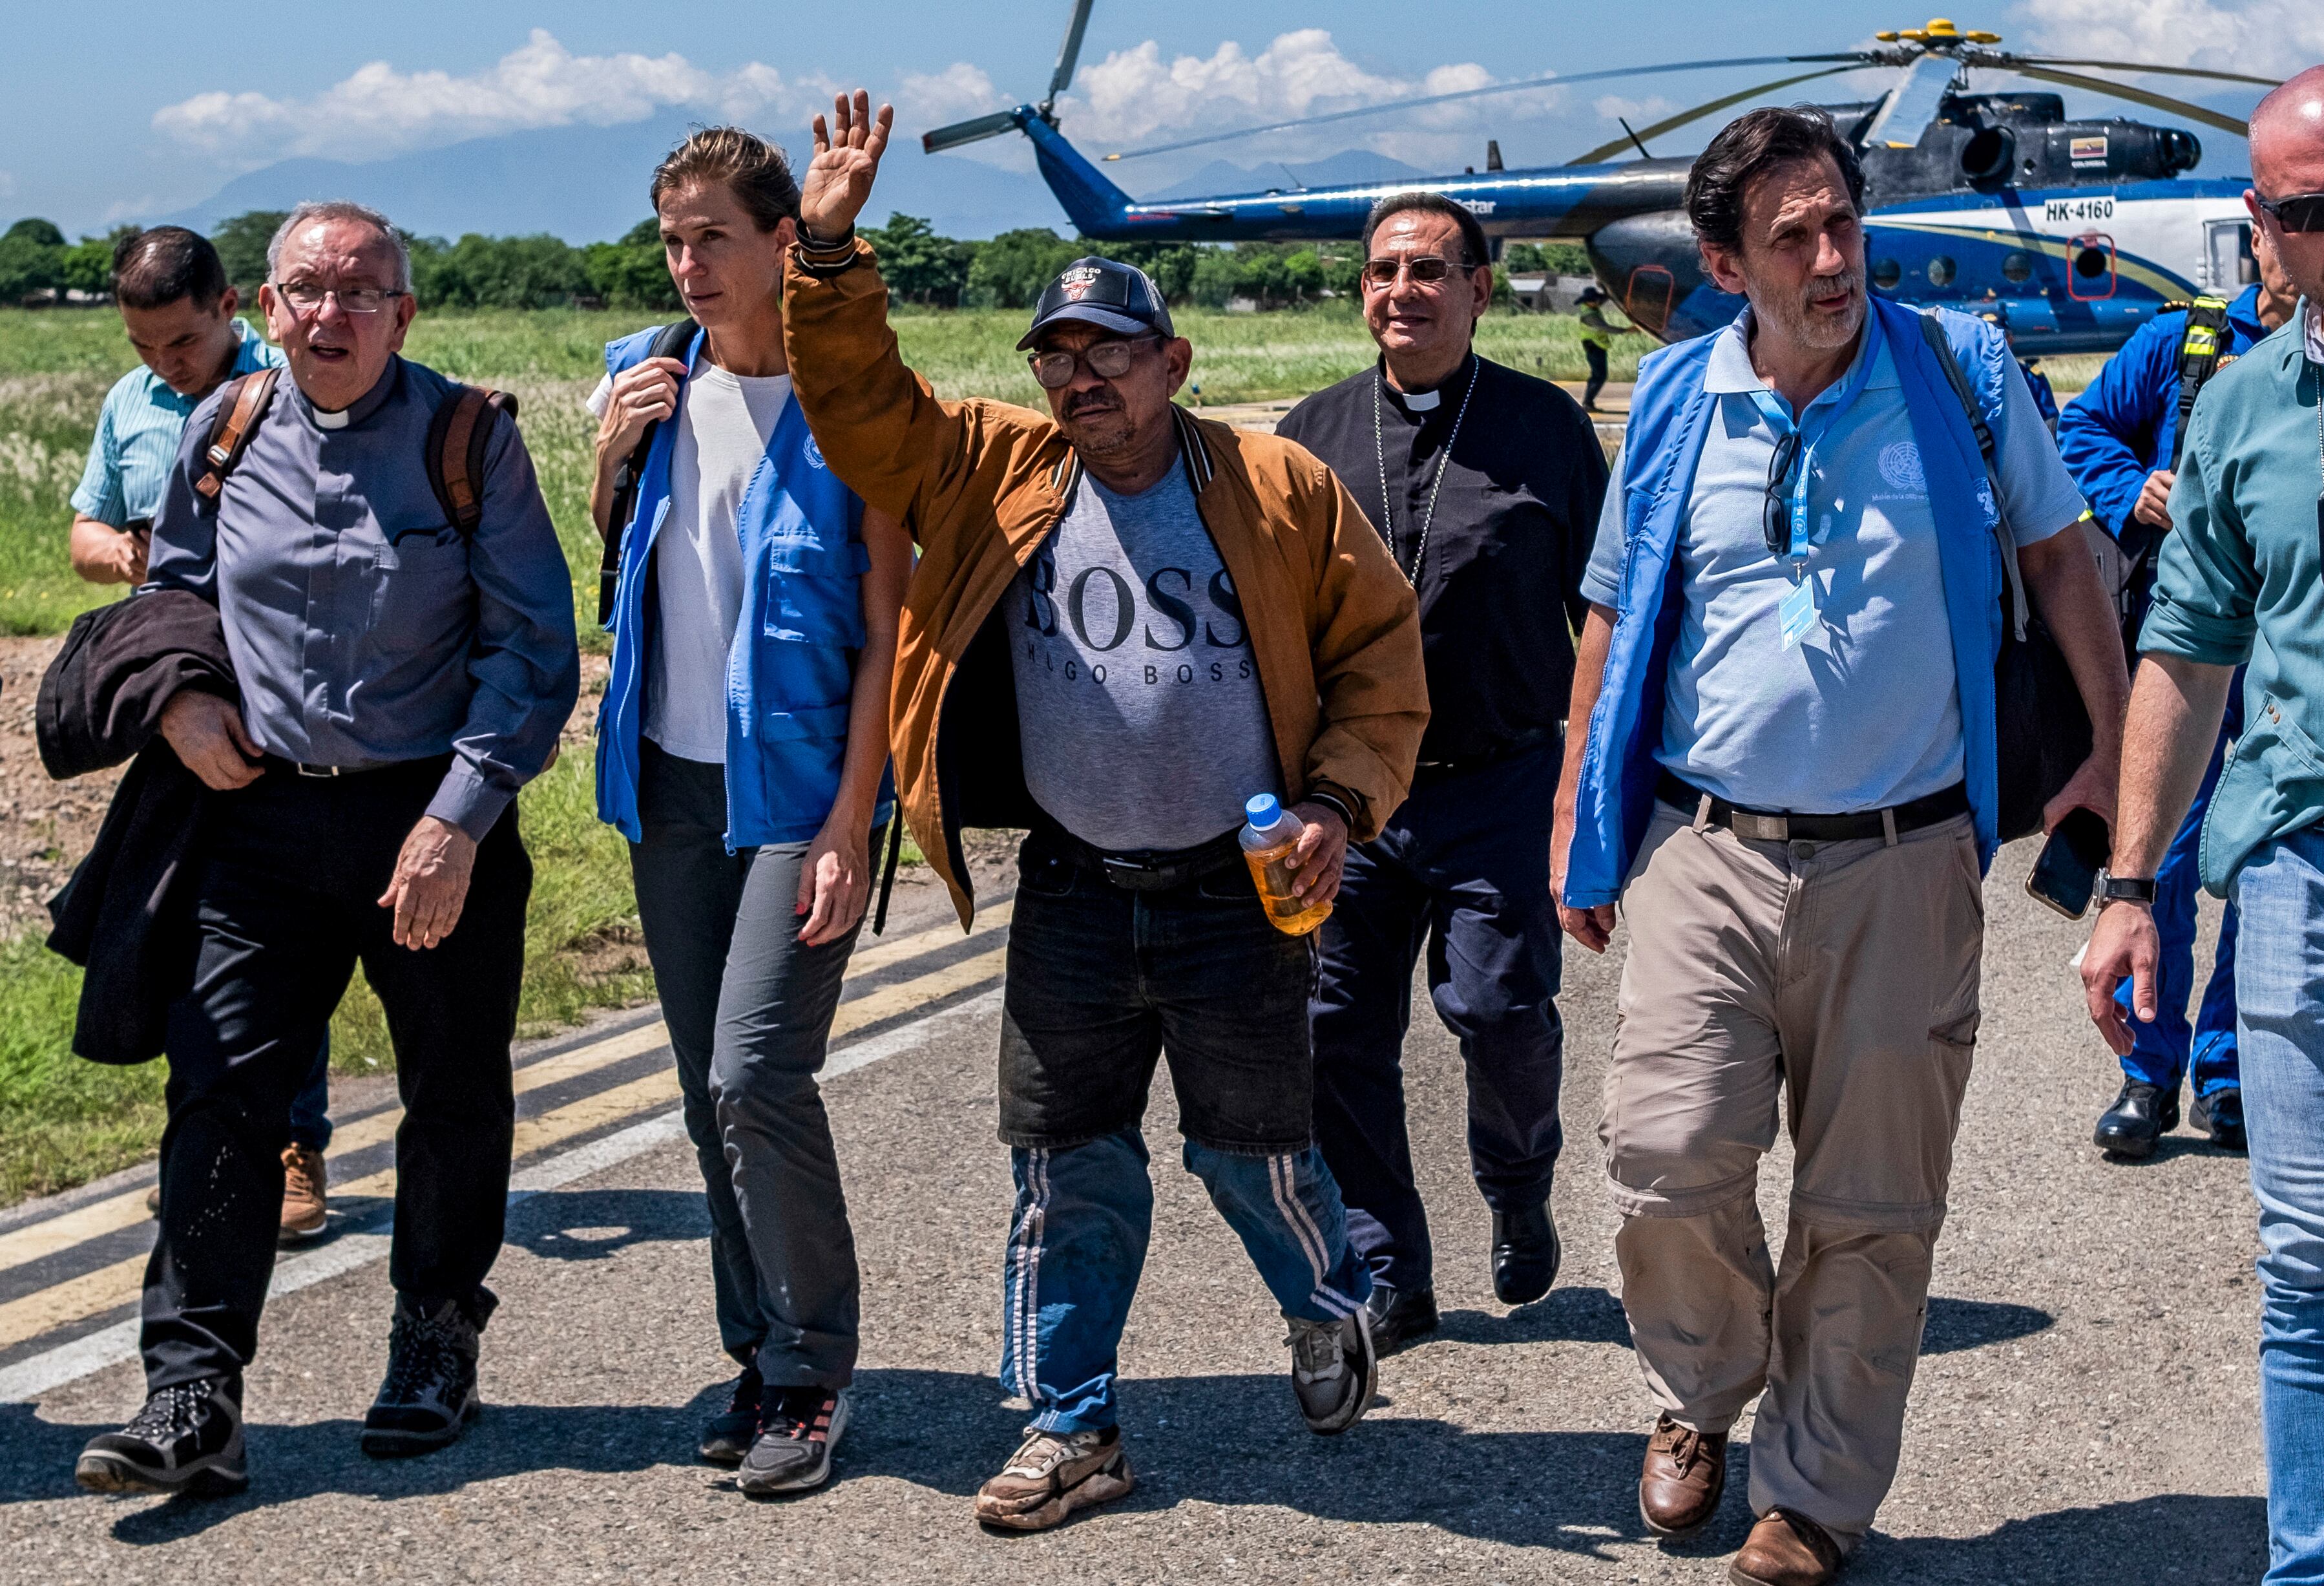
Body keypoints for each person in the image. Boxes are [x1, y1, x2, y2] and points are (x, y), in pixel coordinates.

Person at [782, 92, 1428, 1532]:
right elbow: (862, 406)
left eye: (1108, 353)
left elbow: (1381, 663)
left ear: (1171, 363)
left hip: (1233, 890)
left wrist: (1336, 803)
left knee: (1249, 1156)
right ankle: (1070, 1423)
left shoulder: (1275, 485)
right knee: (1065, 1167)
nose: (1079, 379)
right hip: (1073, 887)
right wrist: (825, 257)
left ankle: (1326, 1302)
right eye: (1055, 357)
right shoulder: (993, 469)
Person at [1555, 108, 2127, 1583]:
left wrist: (2117, 751)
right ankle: (1701, 1386)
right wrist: (1575, 819)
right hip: (1705, 844)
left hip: (1904, 851)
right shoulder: (1676, 396)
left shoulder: (1957, 366)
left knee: (1869, 1199)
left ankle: (1809, 1495)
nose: (1830, 260)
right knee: (1663, 1152)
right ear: (1722, 266)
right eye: (1792, 238)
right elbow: (1610, 615)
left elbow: (2060, 556)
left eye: (1840, 224)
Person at [73, 200, 579, 1496]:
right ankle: (192, 1392)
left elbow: (531, 652)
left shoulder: (469, 440)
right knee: (220, 1097)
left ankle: (435, 1337)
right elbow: (172, 599)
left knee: (452, 1093)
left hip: (432, 816)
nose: (331, 314)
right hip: (258, 820)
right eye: (307, 290)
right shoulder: (223, 431)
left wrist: (458, 820)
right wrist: (180, 705)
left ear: (404, 315)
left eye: (361, 294)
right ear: (268, 307)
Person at [589, 127, 908, 1496]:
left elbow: (890, 633)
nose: (688, 264)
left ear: (784, 241)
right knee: (697, 1090)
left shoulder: (856, 403)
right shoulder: (649, 376)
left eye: (712, 235)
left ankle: (813, 1367)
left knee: (752, 1073)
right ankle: (758, 1353)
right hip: (669, 781)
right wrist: (611, 453)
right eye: (672, 240)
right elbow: (617, 556)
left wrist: (851, 821)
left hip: (800, 790)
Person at [1275, 192, 1607, 1351]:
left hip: (1499, 780)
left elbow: (1604, 619)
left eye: (1427, 270)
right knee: (1334, 1033)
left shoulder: (1545, 429)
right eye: (1383, 271)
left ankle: (1519, 1180)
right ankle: (1388, 1270)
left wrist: (1595, 791)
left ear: (1478, 288)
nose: (1401, 291)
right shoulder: (1307, 435)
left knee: (1503, 1012)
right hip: (1350, 793)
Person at [2081, 66, 2324, 1585]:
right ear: (2262, 221)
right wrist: (2120, 884)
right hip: (2298, 866)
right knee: (2304, 1262)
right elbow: (2180, 653)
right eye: (2307, 209)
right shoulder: (2229, 392)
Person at [68, 227, 333, 1243]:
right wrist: (130, 555)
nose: (164, 364)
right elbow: (87, 535)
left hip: (274, 701)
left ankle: (294, 1144)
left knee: (281, 938)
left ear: (233, 305)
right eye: (143, 346)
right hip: (173, 695)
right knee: (182, 930)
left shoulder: (292, 389)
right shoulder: (129, 405)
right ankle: (204, 1145)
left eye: (180, 342)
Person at [2058, 225, 2300, 1157]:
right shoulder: (2185, 338)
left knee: (2264, 860)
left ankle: (2227, 1070)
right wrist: (2135, 490)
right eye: (2292, 225)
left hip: (2282, 656)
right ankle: (2147, 1071)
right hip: (2191, 644)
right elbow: (2083, 426)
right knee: (2161, 848)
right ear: (2256, 234)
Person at [1575, 286, 1635, 412]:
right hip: (1594, 347)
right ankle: (1588, 402)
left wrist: (1607, 289)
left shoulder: (1592, 308)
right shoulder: (1590, 316)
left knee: (1598, 375)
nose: (1598, 302)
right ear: (1589, 301)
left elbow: (1603, 299)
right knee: (1599, 376)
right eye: (1595, 300)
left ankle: (1588, 402)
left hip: (1597, 346)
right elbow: (1606, 328)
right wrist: (1626, 330)